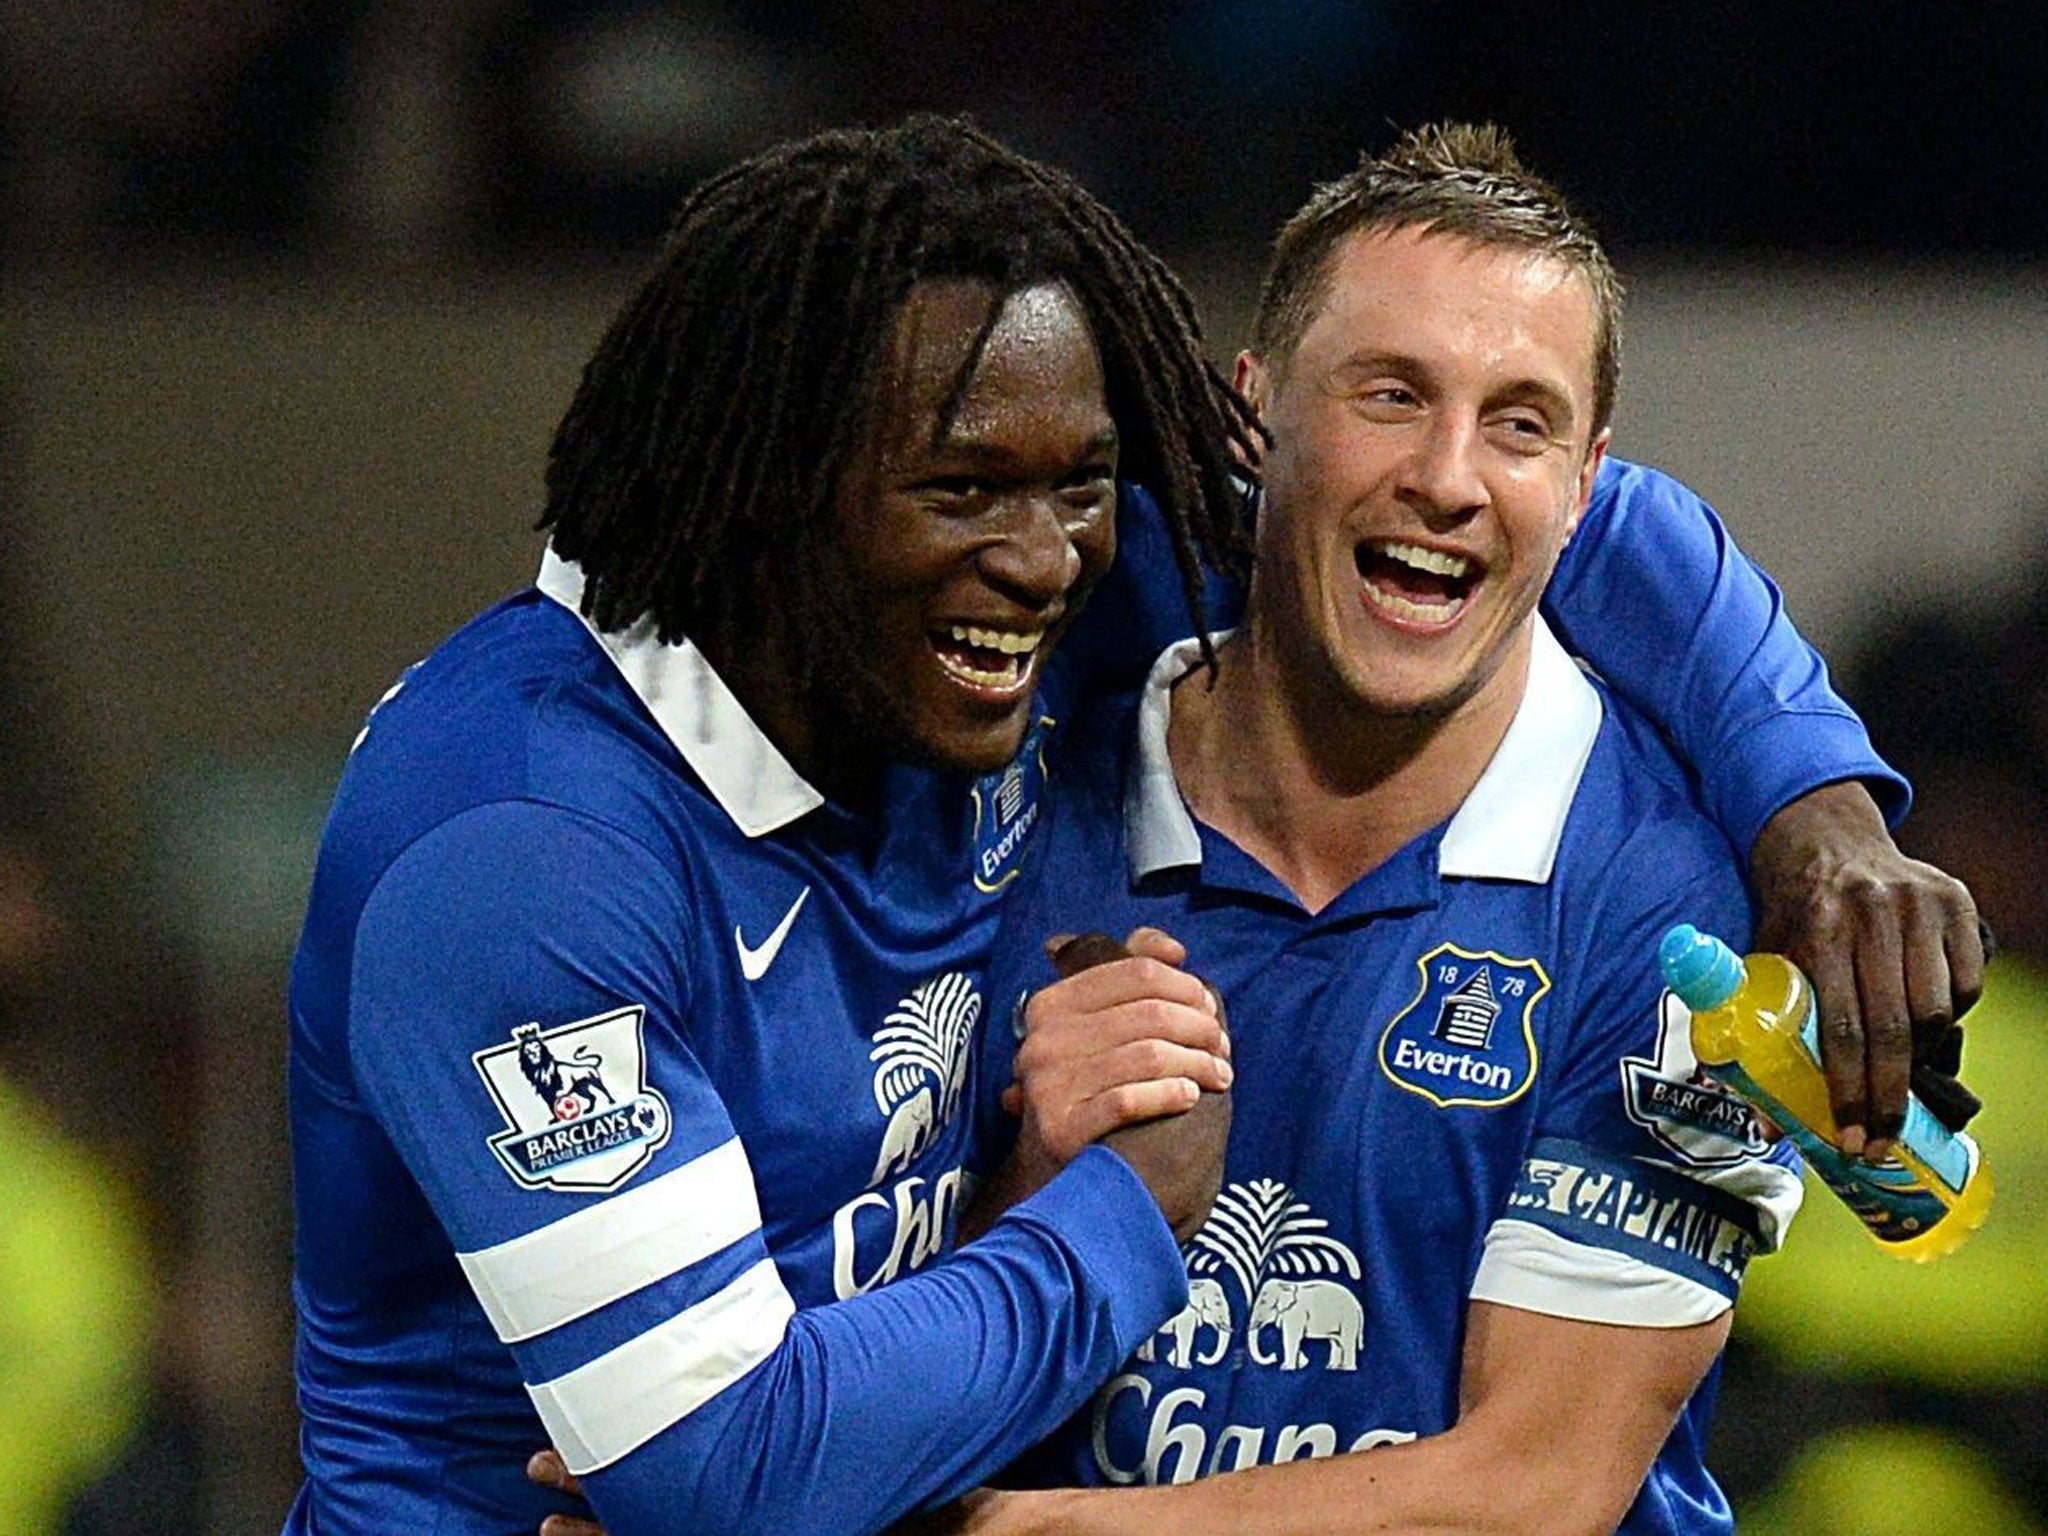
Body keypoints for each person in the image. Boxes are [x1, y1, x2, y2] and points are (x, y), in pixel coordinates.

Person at [285, 116, 1975, 1536]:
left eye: (1076, 489)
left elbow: (1539, 1485)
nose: (1034, 556)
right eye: (961, 492)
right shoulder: (547, 839)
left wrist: (1817, 802)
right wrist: (1089, 1202)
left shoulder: (1672, 898)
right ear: (1263, 425)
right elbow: (725, 1463)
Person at [935, 122, 1873, 1534]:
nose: (1447, 476)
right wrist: (1028, 1186)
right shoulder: (1008, 796)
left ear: (1586, 488)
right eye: (1391, 395)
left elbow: (1535, 1489)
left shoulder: (1689, 924)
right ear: (1255, 421)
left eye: (1520, 422)